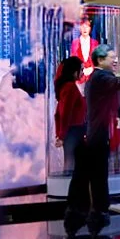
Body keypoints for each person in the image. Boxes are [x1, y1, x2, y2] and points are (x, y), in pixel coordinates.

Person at [65, 51, 120, 234]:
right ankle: (92, 212)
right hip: (88, 137)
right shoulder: (98, 78)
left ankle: (85, 212)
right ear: (100, 60)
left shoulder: (93, 81)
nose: (115, 60)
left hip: (87, 136)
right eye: (112, 57)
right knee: (93, 176)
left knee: (86, 175)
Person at [52, 52, 86, 181]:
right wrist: (61, 135)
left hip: (73, 130)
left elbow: (60, 113)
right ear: (74, 71)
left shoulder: (67, 87)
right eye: (81, 69)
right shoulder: (70, 87)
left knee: (72, 162)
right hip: (73, 131)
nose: (83, 72)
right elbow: (65, 112)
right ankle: (69, 193)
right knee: (71, 163)